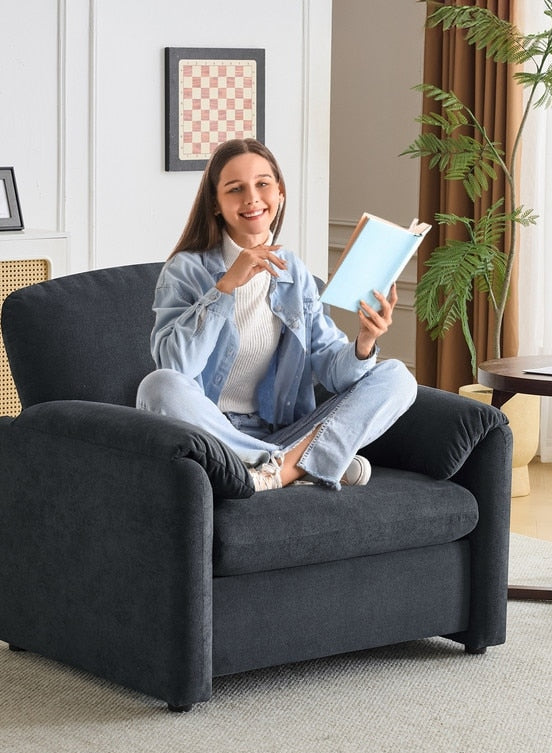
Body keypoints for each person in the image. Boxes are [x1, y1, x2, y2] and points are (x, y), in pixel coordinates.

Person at [136, 138, 417, 491]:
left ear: (280, 193)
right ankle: (301, 465)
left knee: (397, 377)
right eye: (235, 189)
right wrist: (226, 287)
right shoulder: (185, 271)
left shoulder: (294, 273)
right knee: (157, 386)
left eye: (263, 184)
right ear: (216, 204)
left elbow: (333, 372)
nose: (252, 198)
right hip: (212, 435)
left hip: (282, 431)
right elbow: (176, 366)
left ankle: (275, 471)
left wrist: (365, 342)